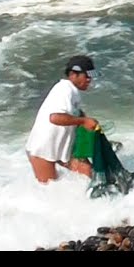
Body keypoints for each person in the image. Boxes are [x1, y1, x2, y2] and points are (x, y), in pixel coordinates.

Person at [26, 55, 99, 183]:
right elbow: (55, 118)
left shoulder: (73, 92)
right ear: (73, 74)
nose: (89, 79)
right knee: (49, 189)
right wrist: (83, 121)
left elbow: (76, 116)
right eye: (86, 76)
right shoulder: (65, 89)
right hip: (42, 150)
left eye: (90, 76)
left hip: (62, 148)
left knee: (90, 174)